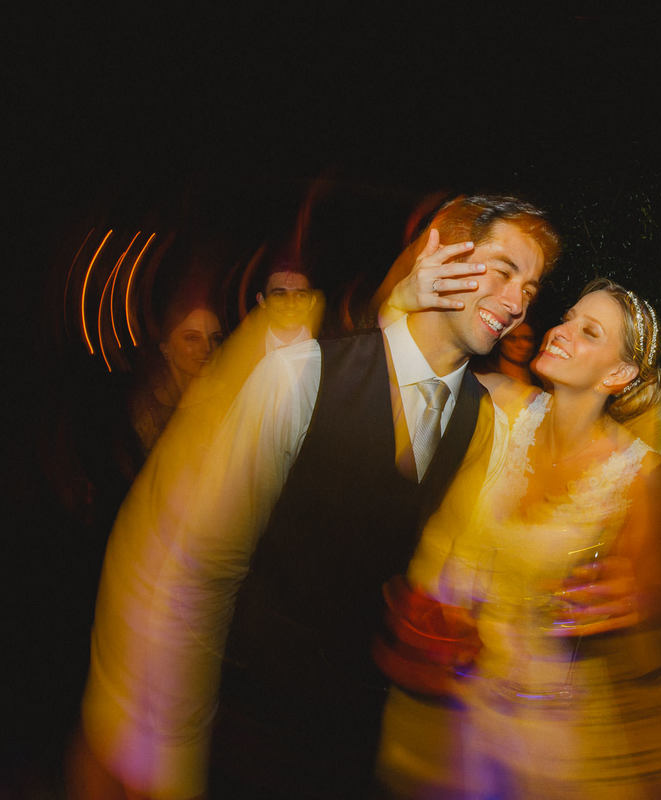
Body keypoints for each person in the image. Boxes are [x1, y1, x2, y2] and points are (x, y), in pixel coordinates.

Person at [71, 195, 560, 800]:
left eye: (530, 289)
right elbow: (197, 569)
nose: (516, 303)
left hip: (361, 744)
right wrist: (159, 746)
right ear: (442, 253)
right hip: (250, 732)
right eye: (504, 271)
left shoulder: (484, 419)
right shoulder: (299, 375)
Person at [375, 279, 661, 798]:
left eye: (589, 331)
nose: (561, 331)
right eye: (567, 318)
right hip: (453, 697)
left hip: (546, 730)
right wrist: (407, 296)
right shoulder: (498, 406)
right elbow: (405, 373)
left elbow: (658, 619)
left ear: (618, 373)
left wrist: (633, 605)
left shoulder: (638, 476)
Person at [128, 299, 223, 456]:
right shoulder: (147, 412)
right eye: (192, 338)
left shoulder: (229, 396)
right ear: (165, 348)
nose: (207, 348)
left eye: (215, 338)